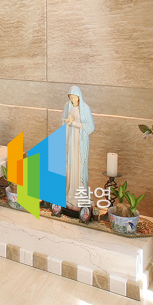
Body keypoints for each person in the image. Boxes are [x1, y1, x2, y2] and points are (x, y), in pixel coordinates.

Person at [61, 85, 94, 222]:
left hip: (80, 143)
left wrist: (74, 122)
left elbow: (90, 127)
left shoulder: (85, 108)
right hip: (70, 142)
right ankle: (70, 195)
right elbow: (63, 122)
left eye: (75, 98)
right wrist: (67, 123)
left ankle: (80, 197)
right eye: (71, 98)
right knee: (70, 168)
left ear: (79, 97)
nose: (73, 100)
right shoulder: (67, 106)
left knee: (79, 169)